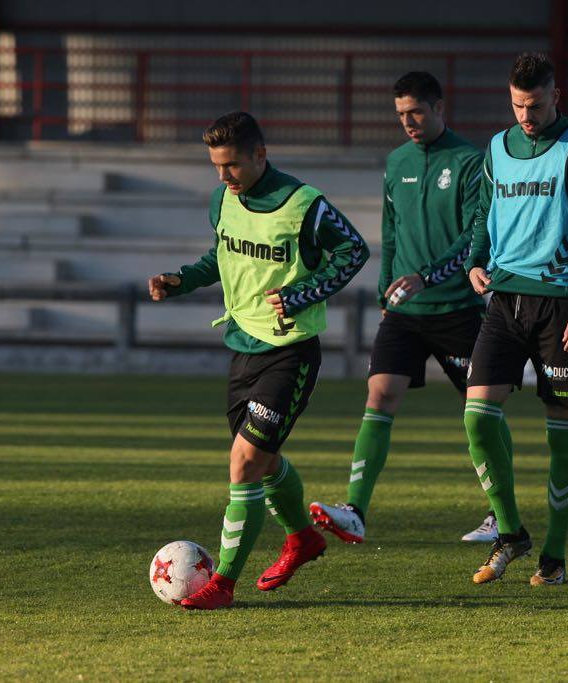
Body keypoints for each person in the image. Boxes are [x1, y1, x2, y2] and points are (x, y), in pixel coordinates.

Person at [148, 111, 368, 610]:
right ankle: (303, 538)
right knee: (264, 462)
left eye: (232, 166)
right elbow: (220, 257)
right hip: (243, 346)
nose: (224, 177)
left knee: (245, 462)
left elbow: (354, 251)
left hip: (291, 352)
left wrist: (302, 293)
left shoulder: (303, 203)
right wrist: (181, 280)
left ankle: (222, 584)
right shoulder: (223, 198)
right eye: (216, 167)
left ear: (260, 155)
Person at [308, 71, 496, 545]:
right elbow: (389, 233)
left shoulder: (471, 162)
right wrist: (385, 292)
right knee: (380, 395)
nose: (408, 122)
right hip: (405, 312)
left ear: (439, 108)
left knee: (478, 411)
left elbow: (475, 238)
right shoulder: (396, 163)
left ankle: (501, 517)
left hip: (457, 309)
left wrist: (428, 276)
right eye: (400, 115)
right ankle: (354, 511)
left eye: (416, 112)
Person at [462, 52, 568, 587]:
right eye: (516, 105)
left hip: (563, 309)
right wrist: (476, 261)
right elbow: (484, 211)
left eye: (533, 105)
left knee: (563, 437)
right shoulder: (497, 148)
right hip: (505, 302)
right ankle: (511, 532)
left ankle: (553, 556)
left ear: (556, 96)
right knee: (477, 417)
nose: (524, 116)